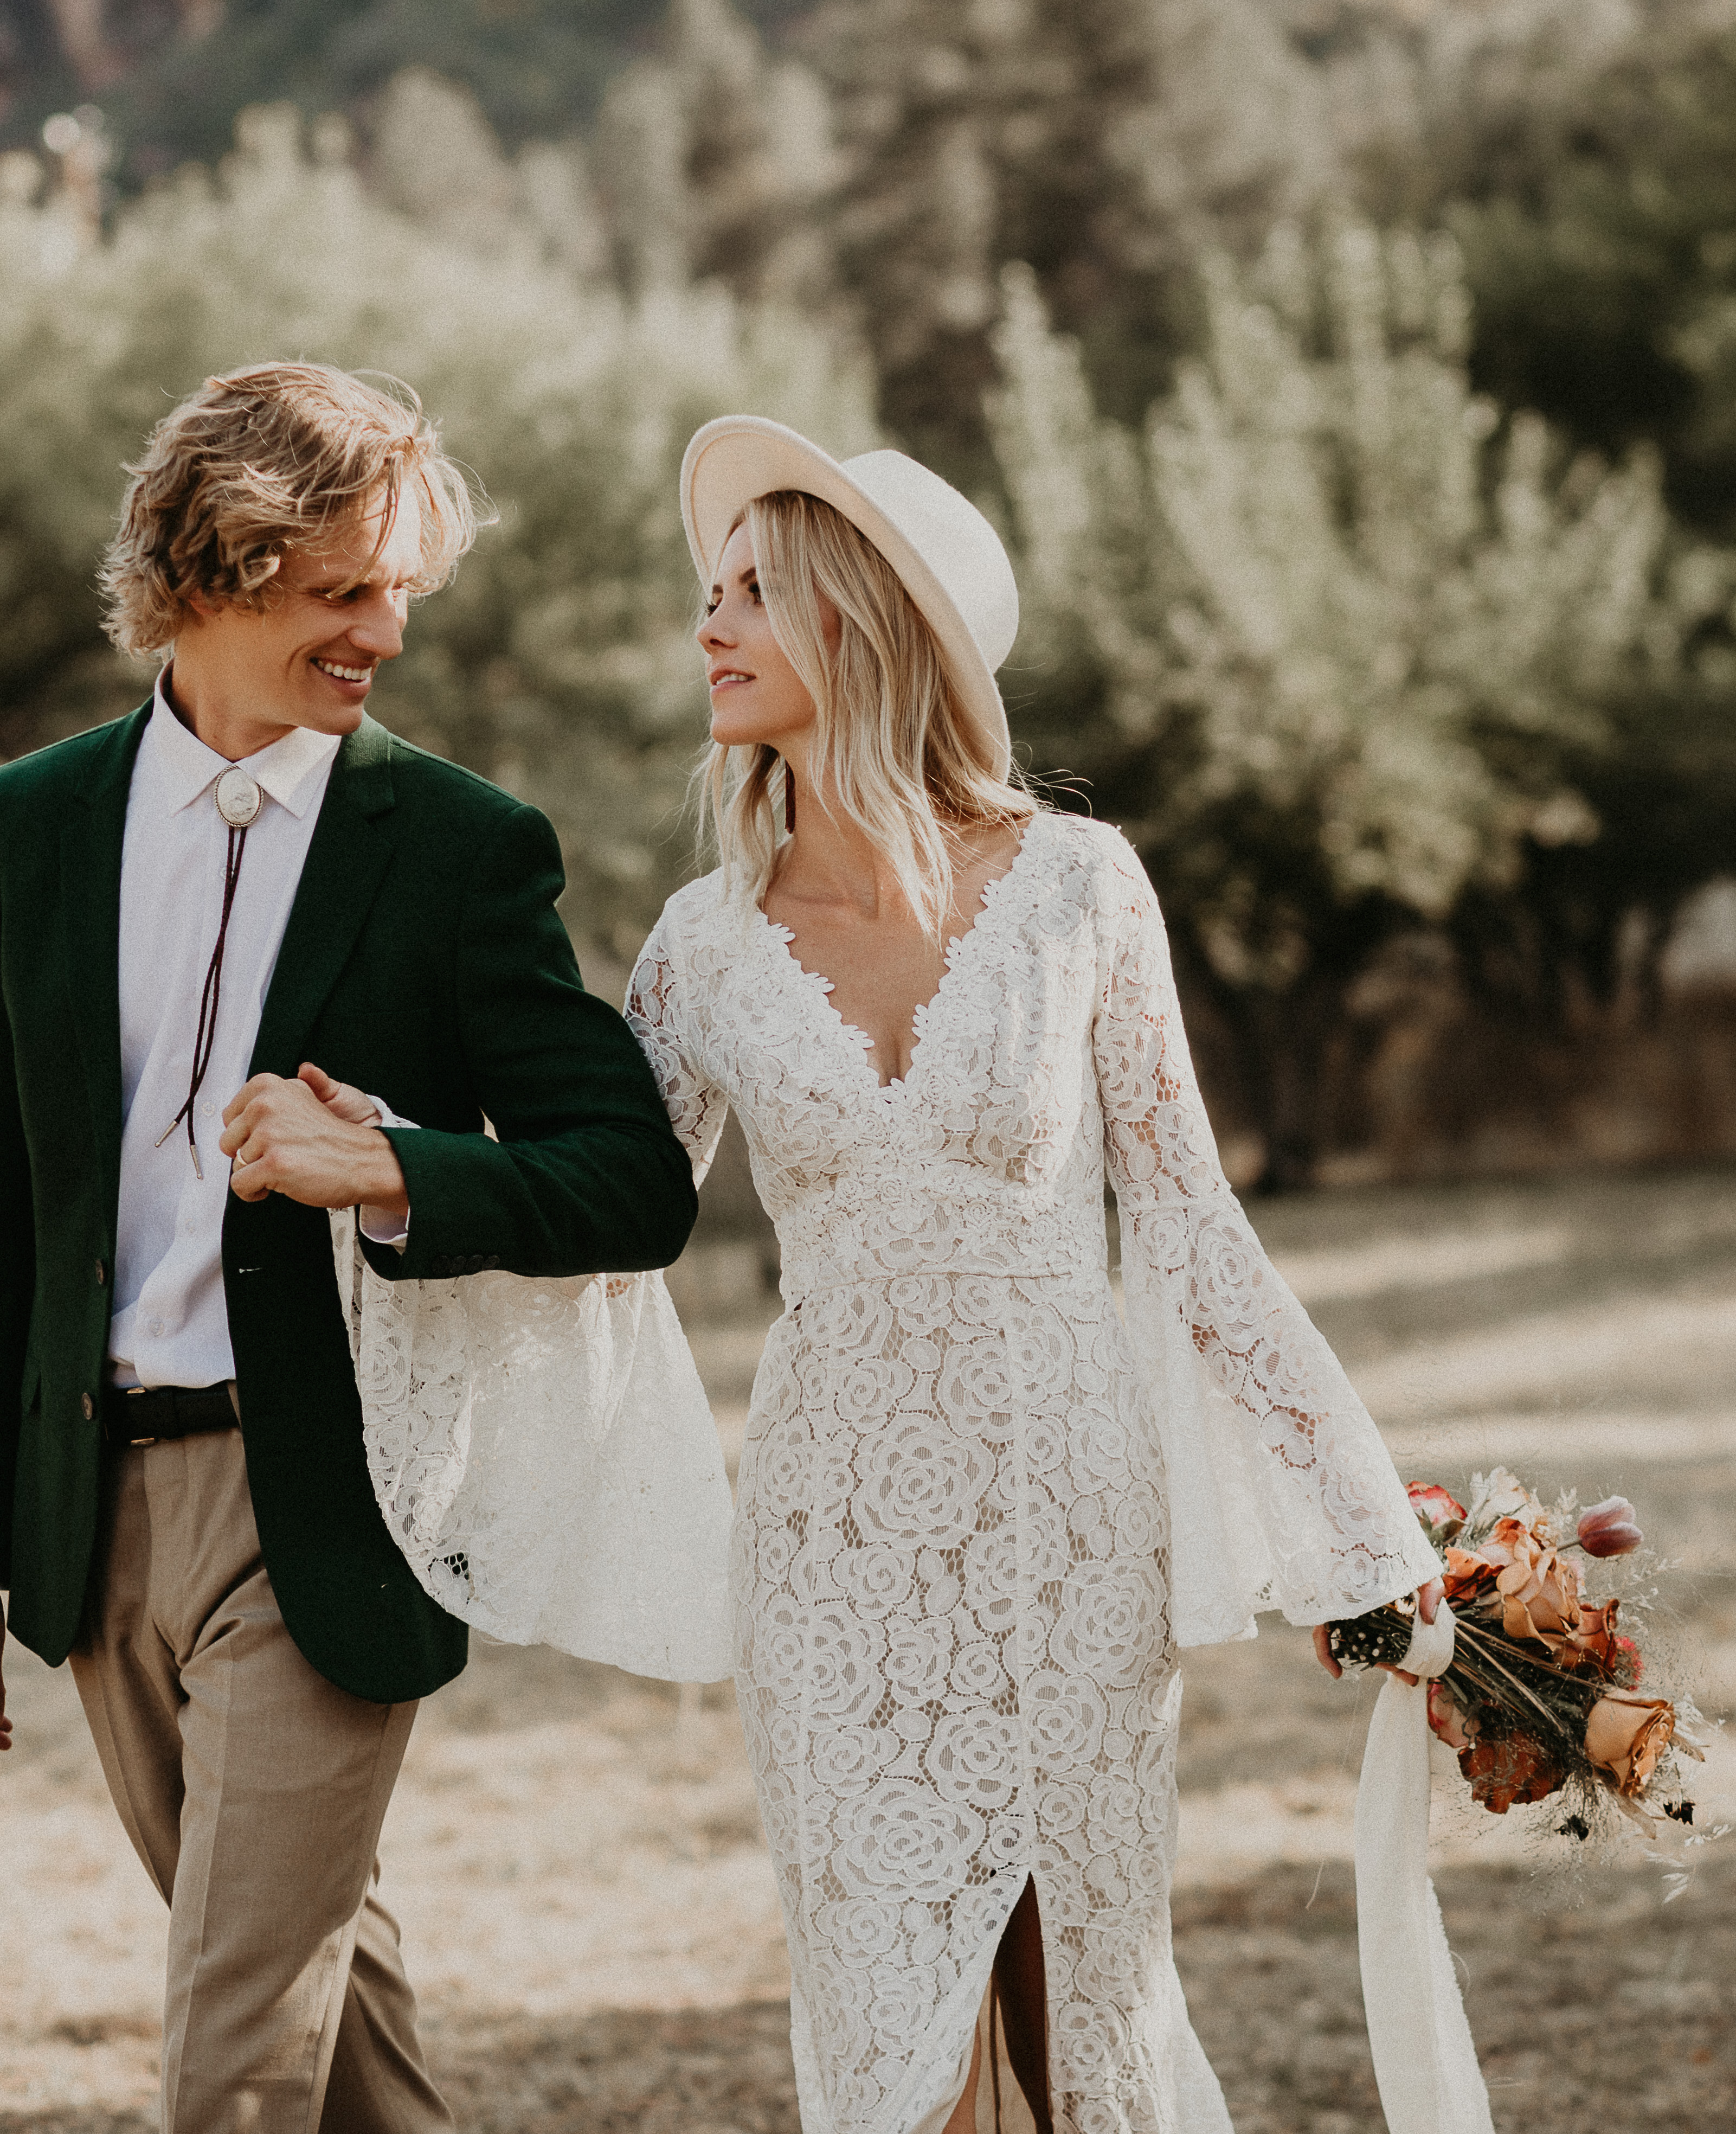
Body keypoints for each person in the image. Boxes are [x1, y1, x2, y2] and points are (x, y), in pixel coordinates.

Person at [623, 418, 1460, 2134]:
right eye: (708, 596)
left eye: (755, 594)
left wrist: (1359, 1520)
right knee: (884, 2007)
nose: (709, 630)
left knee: (1082, 1995)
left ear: (866, 621)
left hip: (1068, 1524)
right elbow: (605, 1208)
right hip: (832, 1540)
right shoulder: (700, 943)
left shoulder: (1083, 887)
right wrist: (400, 1177)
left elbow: (1190, 1223)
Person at [0, 362, 700, 2134]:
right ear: (209, 573)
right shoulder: (30, 827)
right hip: (91, 1511)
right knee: (331, 2045)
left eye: (400, 593)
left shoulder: (461, 848)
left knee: (237, 2047)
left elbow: (631, 1181)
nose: (386, 639)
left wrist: (392, 1167)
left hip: (328, 1507)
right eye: (345, 593)